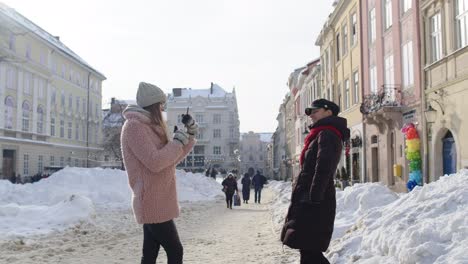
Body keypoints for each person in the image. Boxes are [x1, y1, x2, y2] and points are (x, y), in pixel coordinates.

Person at [121, 82, 198, 264]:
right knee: (175, 250)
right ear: (154, 105)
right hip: (151, 200)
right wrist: (177, 141)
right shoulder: (134, 126)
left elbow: (170, 158)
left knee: (149, 254)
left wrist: (189, 135)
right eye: (161, 104)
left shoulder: (151, 127)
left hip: (159, 198)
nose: (163, 108)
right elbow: (155, 162)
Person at [281, 99, 350, 264]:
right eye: (309, 112)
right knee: (308, 250)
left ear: (329, 111)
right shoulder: (320, 133)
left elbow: (324, 169)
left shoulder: (327, 134)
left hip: (315, 201)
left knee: (310, 252)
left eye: (315, 111)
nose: (311, 115)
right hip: (310, 198)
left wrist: (313, 197)